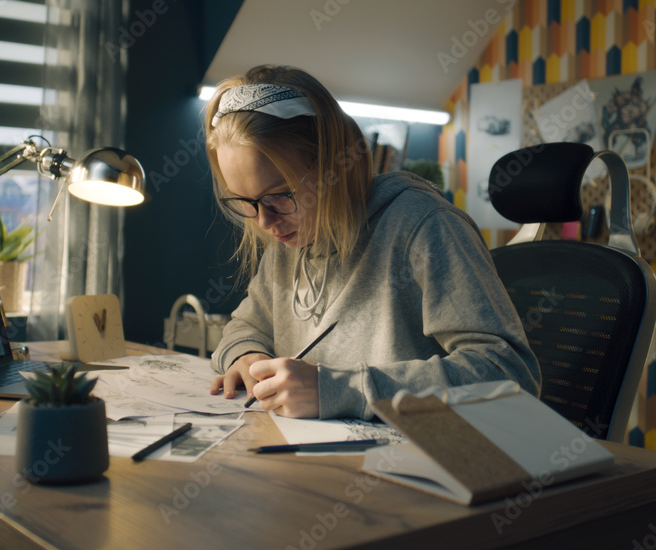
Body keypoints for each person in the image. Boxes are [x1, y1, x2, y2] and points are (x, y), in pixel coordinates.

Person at [204, 65, 540, 420]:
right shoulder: (290, 237)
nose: (264, 221)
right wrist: (246, 355)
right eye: (244, 201)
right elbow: (246, 326)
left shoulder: (424, 227)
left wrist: (341, 391)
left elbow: (509, 373)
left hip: (419, 463)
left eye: (280, 196)